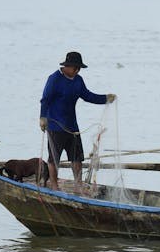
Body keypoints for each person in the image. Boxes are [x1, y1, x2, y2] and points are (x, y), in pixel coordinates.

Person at [39, 51, 116, 190]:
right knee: (54, 158)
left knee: (77, 157)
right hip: (55, 126)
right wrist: (42, 118)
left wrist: (105, 99)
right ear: (67, 66)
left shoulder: (78, 80)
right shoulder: (54, 79)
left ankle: (78, 185)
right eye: (75, 68)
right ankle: (54, 185)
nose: (77, 70)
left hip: (72, 126)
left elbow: (88, 96)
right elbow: (45, 99)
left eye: (79, 68)